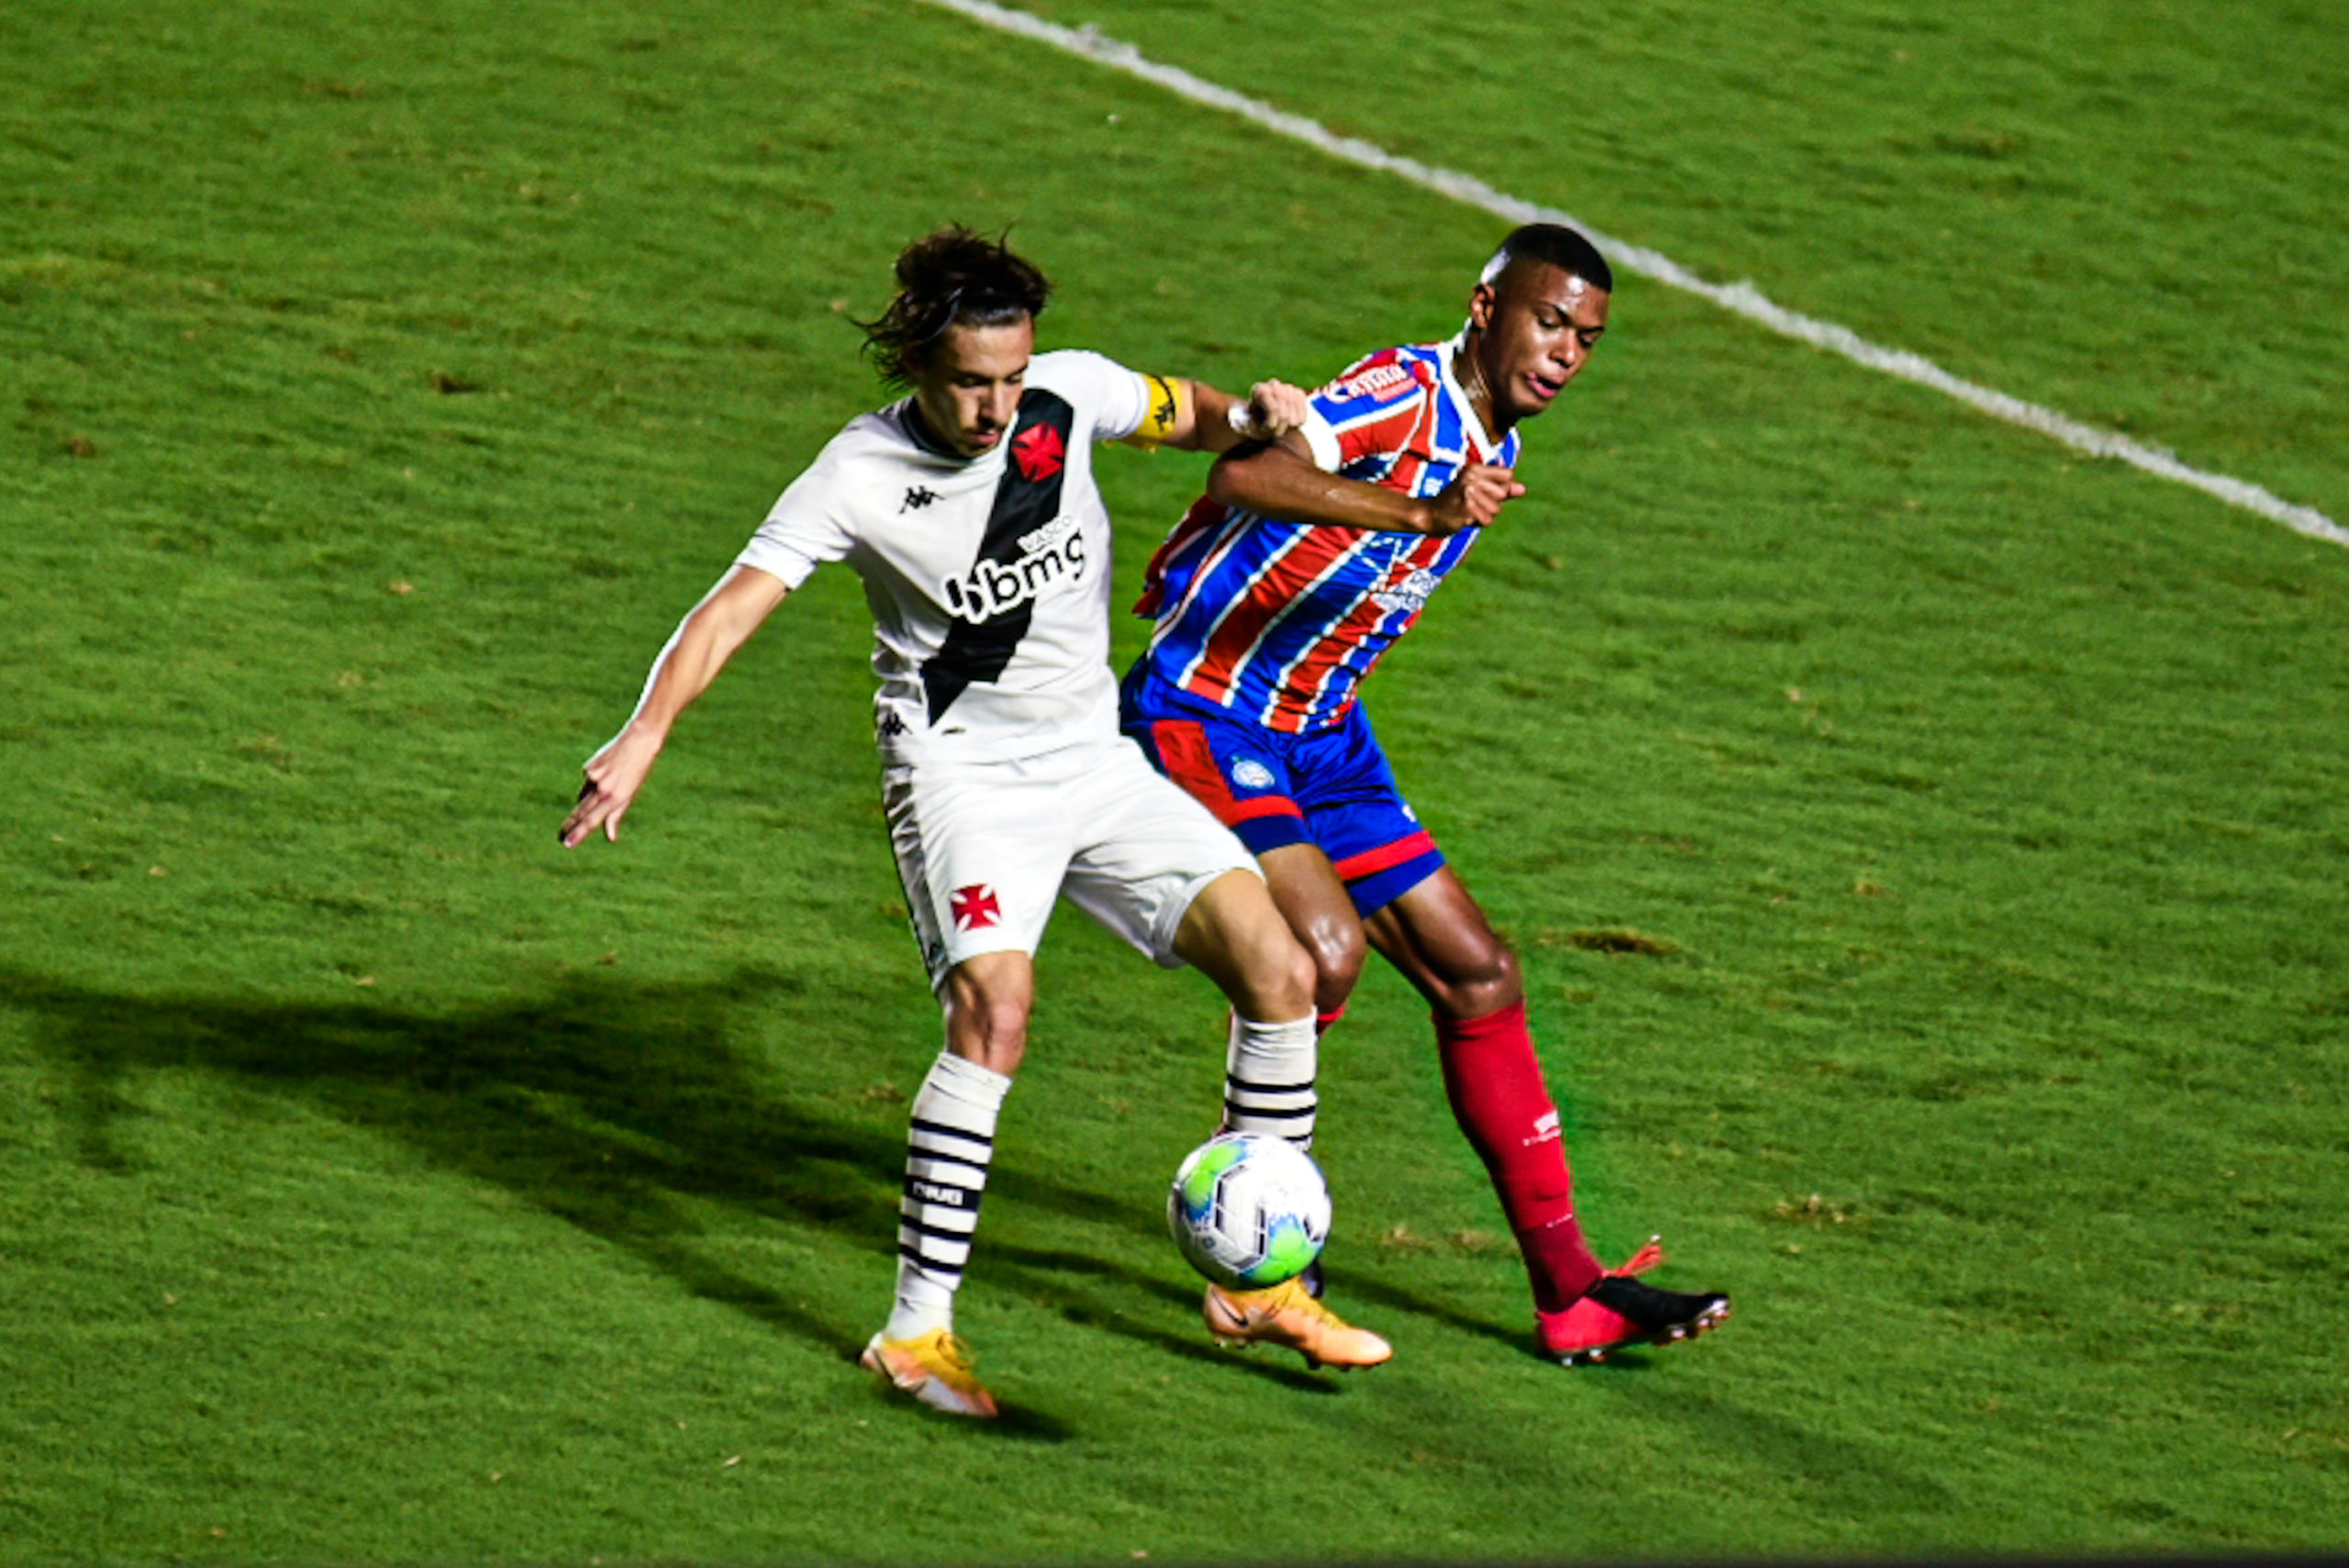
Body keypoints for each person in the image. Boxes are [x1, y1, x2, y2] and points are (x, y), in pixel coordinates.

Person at [558, 227, 1390, 1418]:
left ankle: (1261, 1284)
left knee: (1283, 963)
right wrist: (644, 735)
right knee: (995, 1011)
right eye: (970, 383)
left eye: (1012, 377)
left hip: (1092, 764)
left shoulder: (1068, 395)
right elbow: (732, 608)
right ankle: (916, 1333)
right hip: (962, 784)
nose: (999, 405)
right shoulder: (855, 474)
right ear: (916, 368)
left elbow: (1194, 415)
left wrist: (1261, 416)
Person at [1119, 223, 1731, 1365]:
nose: (1562, 353)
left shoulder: (1494, 437)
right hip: (1206, 705)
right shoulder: (1406, 397)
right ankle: (1254, 1265)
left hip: (1323, 732)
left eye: (1585, 340)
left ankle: (1572, 1294)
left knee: (1479, 969)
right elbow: (1243, 470)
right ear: (1487, 306)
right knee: (1322, 953)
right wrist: (1421, 512)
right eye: (1548, 322)